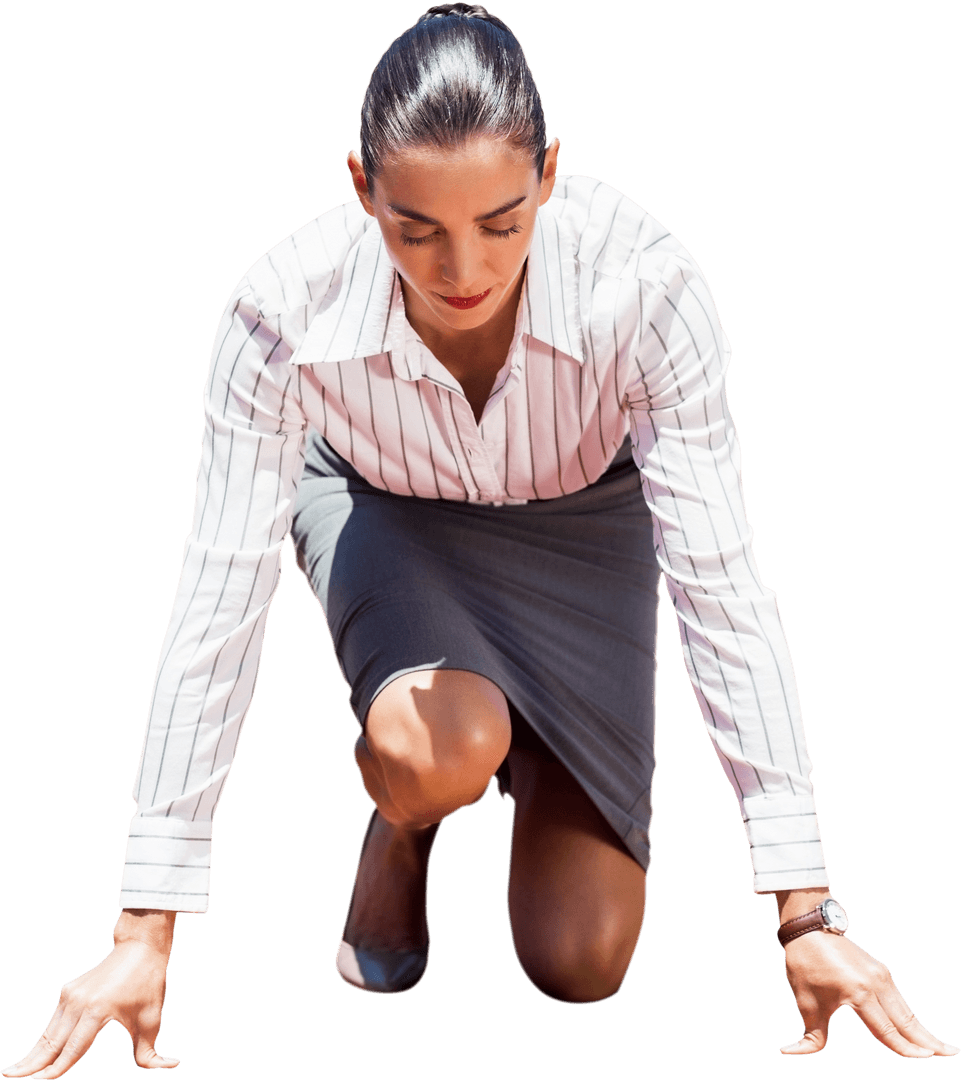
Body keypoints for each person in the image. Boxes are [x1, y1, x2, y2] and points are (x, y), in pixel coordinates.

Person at [3, 4, 957, 1076]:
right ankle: (407, 813)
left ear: (548, 175)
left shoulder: (643, 287)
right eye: (417, 229)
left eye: (502, 222)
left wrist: (806, 910)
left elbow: (720, 585)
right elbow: (218, 595)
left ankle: (516, 756)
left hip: (583, 535)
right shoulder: (280, 311)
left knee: (581, 958)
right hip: (389, 516)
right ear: (362, 188)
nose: (463, 268)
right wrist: (146, 925)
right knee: (439, 753)